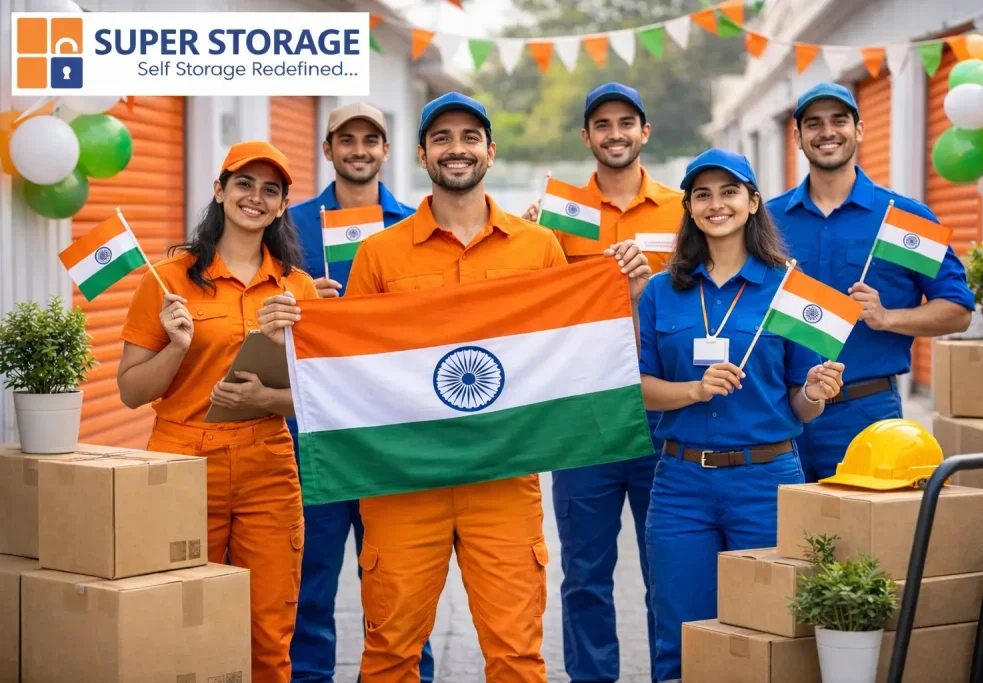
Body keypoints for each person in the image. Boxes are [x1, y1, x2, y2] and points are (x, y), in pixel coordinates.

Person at [257, 92, 651, 683]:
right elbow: (351, 371)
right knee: (390, 654)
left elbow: (570, 351)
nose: (457, 148)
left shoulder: (538, 247)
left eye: (470, 137)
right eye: (442, 138)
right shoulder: (377, 254)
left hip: (503, 480)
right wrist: (298, 329)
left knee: (517, 655)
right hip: (404, 484)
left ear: (490, 151)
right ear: (420, 154)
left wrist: (625, 300)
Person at [637, 148, 845, 682]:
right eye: (702, 195)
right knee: (678, 637)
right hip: (681, 485)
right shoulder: (663, 291)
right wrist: (692, 390)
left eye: (729, 192)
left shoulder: (787, 289)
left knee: (768, 635)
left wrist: (818, 392)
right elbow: (636, 389)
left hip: (766, 482)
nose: (716, 204)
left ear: (753, 202)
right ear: (689, 208)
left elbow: (800, 402)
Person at [116, 141, 319, 683]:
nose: (255, 197)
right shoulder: (170, 279)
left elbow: (322, 397)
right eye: (244, 183)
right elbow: (131, 392)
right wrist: (177, 347)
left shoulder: (297, 290)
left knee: (269, 630)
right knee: (179, 622)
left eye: (269, 190)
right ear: (219, 190)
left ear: (281, 206)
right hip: (181, 461)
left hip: (268, 465)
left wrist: (267, 399)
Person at [523, 81, 683, 683]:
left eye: (626, 123)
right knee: (585, 572)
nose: (615, 134)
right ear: (587, 136)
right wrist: (528, 234)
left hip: (660, 412)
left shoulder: (682, 208)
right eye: (602, 124)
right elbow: (532, 299)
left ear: (644, 132)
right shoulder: (555, 216)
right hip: (582, 415)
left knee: (664, 565)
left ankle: (670, 673)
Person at [285, 102, 434, 683]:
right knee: (311, 583)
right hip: (315, 434)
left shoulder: (415, 223)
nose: (359, 149)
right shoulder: (289, 225)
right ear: (328, 149)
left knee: (399, 584)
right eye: (346, 139)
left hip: (388, 436)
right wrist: (301, 309)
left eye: (371, 139)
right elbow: (263, 312)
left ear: (387, 150)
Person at [766, 82, 974, 482]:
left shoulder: (904, 219)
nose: (827, 131)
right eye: (814, 123)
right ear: (797, 137)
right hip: (781, 413)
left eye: (839, 120)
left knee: (865, 542)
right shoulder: (768, 222)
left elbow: (959, 311)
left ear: (859, 130)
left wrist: (888, 317)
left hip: (865, 412)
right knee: (781, 543)